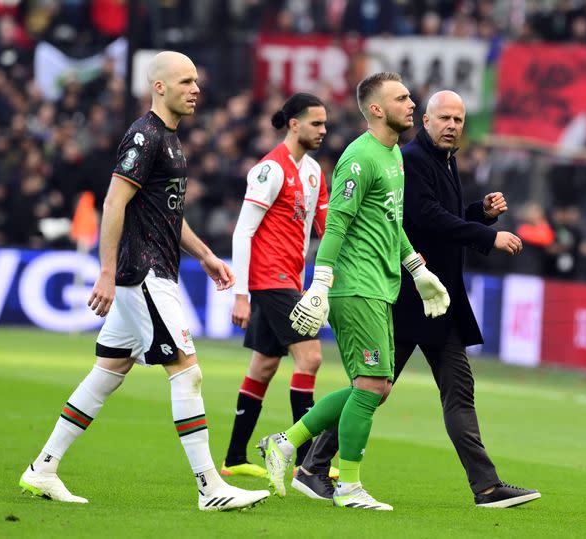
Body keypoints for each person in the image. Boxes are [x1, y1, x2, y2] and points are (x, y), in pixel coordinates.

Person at [18, 51, 269, 512]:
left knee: (107, 374)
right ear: (159, 87)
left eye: (197, 80)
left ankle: (43, 468)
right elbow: (114, 203)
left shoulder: (171, 139)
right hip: (143, 273)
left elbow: (167, 212)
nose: (196, 88)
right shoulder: (145, 135)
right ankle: (210, 487)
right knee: (187, 372)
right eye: (186, 81)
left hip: (157, 268)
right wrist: (109, 272)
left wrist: (207, 255)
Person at [298, 90, 541, 509]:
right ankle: (312, 466)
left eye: (459, 120)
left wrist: (479, 212)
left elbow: (439, 216)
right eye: (444, 118)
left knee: (456, 391)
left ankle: (486, 487)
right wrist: (487, 235)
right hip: (406, 299)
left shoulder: (442, 160)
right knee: (372, 388)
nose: (452, 126)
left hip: (438, 299)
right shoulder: (407, 158)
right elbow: (424, 218)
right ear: (426, 121)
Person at [258, 72, 451, 511]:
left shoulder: (395, 156)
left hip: (382, 285)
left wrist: (418, 269)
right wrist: (321, 282)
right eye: (401, 98)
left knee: (376, 387)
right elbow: (337, 223)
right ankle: (348, 485)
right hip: (356, 286)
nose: (411, 103)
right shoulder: (360, 158)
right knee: (369, 385)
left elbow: (391, 222)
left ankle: (286, 444)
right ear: (377, 109)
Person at [220, 93, 329, 479]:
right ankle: (307, 462)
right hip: (270, 280)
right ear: (294, 124)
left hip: (290, 277)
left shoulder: (314, 172)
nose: (323, 130)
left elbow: (324, 226)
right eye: (316, 123)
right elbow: (243, 231)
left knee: (264, 366)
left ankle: (234, 458)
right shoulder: (269, 170)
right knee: (311, 358)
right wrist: (240, 294)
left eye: (325, 123)